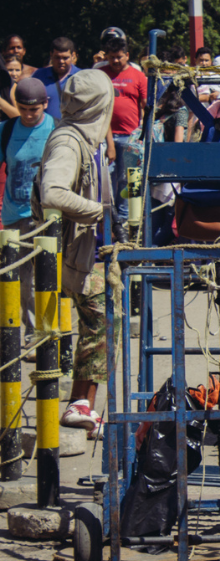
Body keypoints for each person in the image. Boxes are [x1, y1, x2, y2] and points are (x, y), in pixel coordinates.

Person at [41, 70, 112, 438]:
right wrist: (97, 210)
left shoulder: (85, 136)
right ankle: (78, 403)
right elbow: (52, 192)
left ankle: (81, 403)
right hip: (70, 253)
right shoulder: (68, 142)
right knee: (101, 320)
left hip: (86, 248)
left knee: (103, 320)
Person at [2, 79, 56, 348]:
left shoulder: (56, 129)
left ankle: (50, 332)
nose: (28, 114)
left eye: (33, 109)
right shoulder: (7, 130)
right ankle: (34, 332)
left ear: (45, 103)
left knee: (48, 275)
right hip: (15, 214)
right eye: (23, 108)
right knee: (23, 279)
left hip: (46, 215)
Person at [101, 34, 146, 231]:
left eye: (119, 56)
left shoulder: (138, 76)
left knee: (129, 181)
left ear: (127, 55)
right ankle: (110, 224)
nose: (116, 60)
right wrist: (110, 144)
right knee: (107, 180)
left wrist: (141, 134)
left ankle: (129, 225)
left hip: (131, 138)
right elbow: (100, 111)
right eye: (112, 57)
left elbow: (145, 106)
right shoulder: (101, 75)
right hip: (106, 136)